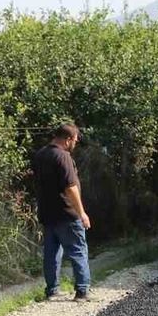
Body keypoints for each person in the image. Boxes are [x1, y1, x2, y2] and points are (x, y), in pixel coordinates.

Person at [31, 123, 92, 302]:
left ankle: (52, 290)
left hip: (47, 213)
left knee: (51, 254)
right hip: (67, 213)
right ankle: (82, 290)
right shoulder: (62, 156)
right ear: (67, 139)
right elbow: (70, 187)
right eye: (74, 141)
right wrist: (81, 213)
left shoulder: (40, 155)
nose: (75, 144)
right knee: (78, 250)